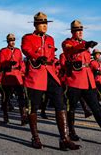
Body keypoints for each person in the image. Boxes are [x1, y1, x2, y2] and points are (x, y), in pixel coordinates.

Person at [21, 12, 79, 150]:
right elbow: (26, 49)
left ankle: (64, 138)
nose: (45, 26)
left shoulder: (50, 39)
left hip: (51, 75)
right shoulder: (28, 37)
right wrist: (36, 57)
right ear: (35, 24)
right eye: (42, 23)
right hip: (35, 76)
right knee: (33, 107)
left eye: (46, 23)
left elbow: (52, 57)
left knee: (61, 105)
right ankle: (35, 138)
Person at [62, 20, 101, 143]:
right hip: (74, 80)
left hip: (87, 80)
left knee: (96, 107)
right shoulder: (67, 43)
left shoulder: (84, 43)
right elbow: (71, 50)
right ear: (72, 31)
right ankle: (71, 132)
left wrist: (85, 45)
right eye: (78, 30)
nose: (80, 32)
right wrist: (84, 46)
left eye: (81, 30)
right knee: (71, 108)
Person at [0, 33, 27, 125]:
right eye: (11, 40)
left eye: (13, 40)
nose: (12, 42)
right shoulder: (3, 51)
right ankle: (5, 116)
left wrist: (23, 72)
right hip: (7, 76)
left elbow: (21, 62)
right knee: (5, 98)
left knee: (21, 97)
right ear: (8, 41)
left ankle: (23, 117)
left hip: (17, 76)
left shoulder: (18, 50)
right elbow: (1, 63)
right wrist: (8, 63)